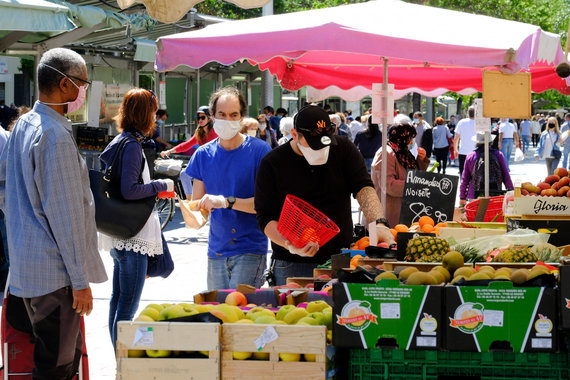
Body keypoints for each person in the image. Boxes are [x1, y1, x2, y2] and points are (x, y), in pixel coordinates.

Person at [0, 47, 107, 379]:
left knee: (54, 361)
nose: (84, 92)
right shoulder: (55, 135)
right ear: (65, 84)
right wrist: (80, 282)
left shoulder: (24, 125)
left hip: (27, 273)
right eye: (83, 84)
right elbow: (66, 217)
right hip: (54, 277)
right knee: (56, 368)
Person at [255, 105, 394, 285]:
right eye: (313, 145)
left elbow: (363, 187)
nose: (320, 150)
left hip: (340, 259)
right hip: (291, 263)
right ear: (295, 135)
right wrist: (290, 245)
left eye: (324, 143)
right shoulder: (272, 163)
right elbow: (265, 217)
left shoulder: (343, 148)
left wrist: (378, 222)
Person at [99, 89, 174, 350]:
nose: (155, 115)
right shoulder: (131, 145)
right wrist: (159, 184)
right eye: (153, 110)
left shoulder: (120, 140)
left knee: (118, 301)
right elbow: (130, 190)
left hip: (120, 231)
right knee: (127, 309)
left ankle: (117, 359)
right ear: (145, 113)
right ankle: (122, 363)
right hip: (134, 234)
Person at [187, 87, 271, 290]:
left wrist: (225, 201)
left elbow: (264, 206)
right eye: (222, 114)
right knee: (217, 316)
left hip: (250, 249)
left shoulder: (260, 152)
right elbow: (197, 208)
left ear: (242, 117)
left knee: (242, 315)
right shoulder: (202, 154)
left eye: (234, 115)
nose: (227, 119)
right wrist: (191, 210)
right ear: (212, 116)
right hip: (216, 251)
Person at [371, 121, 430, 227]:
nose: (411, 142)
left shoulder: (402, 153)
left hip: (402, 210)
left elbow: (415, 175)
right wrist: (415, 186)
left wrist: (421, 159)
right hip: (388, 212)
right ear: (401, 137)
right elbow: (388, 185)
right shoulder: (385, 153)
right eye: (409, 138)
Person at [459, 132, 513, 205]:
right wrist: (511, 191)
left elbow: (465, 179)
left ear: (477, 142)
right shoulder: (498, 155)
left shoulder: (471, 156)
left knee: (477, 216)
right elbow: (506, 176)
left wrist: (462, 197)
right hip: (495, 194)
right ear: (491, 141)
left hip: (475, 195)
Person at [454, 106, 476, 176]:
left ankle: (463, 186)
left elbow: (456, 138)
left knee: (463, 173)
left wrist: (455, 150)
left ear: (468, 113)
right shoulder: (479, 123)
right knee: (474, 173)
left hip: (463, 152)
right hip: (476, 152)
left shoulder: (461, 122)